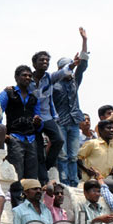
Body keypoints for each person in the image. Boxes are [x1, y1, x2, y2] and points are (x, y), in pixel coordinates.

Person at [29, 51, 78, 184]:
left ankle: (47, 166)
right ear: (34, 63)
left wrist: (74, 64)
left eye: (47, 61)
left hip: (47, 116)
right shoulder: (28, 79)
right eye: (41, 60)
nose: (45, 63)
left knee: (58, 140)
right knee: (38, 151)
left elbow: (64, 72)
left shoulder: (50, 78)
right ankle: (43, 179)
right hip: (33, 119)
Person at [52, 28, 89, 188]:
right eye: (66, 67)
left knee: (74, 155)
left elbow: (83, 64)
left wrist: (84, 41)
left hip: (74, 121)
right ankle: (65, 182)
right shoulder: (54, 83)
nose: (70, 70)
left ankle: (74, 182)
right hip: (60, 121)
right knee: (63, 154)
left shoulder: (75, 81)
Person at [0, 66, 42, 196]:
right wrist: (2, 132)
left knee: (32, 176)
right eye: (24, 75)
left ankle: (31, 203)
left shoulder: (33, 98)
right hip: (15, 137)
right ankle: (16, 202)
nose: (27, 78)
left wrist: (38, 122)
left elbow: (39, 121)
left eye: (29, 76)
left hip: (31, 138)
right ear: (16, 77)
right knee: (16, 172)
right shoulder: (9, 93)